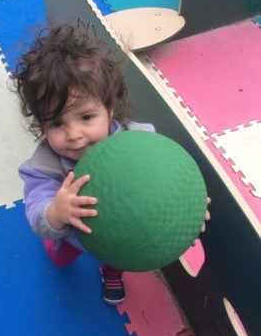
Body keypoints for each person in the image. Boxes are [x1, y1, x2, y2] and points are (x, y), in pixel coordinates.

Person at [14, 24, 209, 305]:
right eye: (56, 123)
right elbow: (37, 209)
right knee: (60, 259)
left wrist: (186, 209)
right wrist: (55, 213)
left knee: (118, 254)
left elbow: (166, 178)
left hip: (119, 235)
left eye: (86, 117)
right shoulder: (44, 166)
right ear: (42, 125)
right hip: (73, 235)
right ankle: (56, 248)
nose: (74, 134)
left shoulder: (137, 142)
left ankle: (111, 271)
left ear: (110, 108)